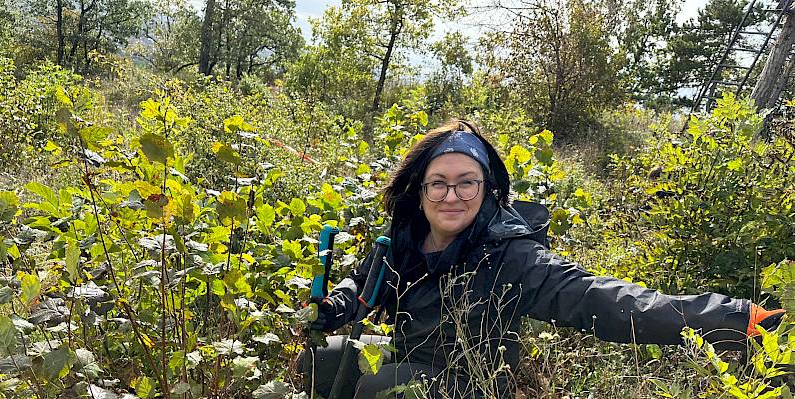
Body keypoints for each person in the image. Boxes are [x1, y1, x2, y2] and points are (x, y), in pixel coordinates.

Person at [297, 120, 785, 399]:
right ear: (420, 190)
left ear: (488, 189)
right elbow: (366, 285)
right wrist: (338, 306)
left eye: (467, 181)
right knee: (315, 363)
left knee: (376, 389)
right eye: (439, 182)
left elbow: (606, 299)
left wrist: (735, 318)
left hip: (468, 383)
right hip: (406, 353)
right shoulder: (404, 237)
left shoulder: (514, 255)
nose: (452, 195)